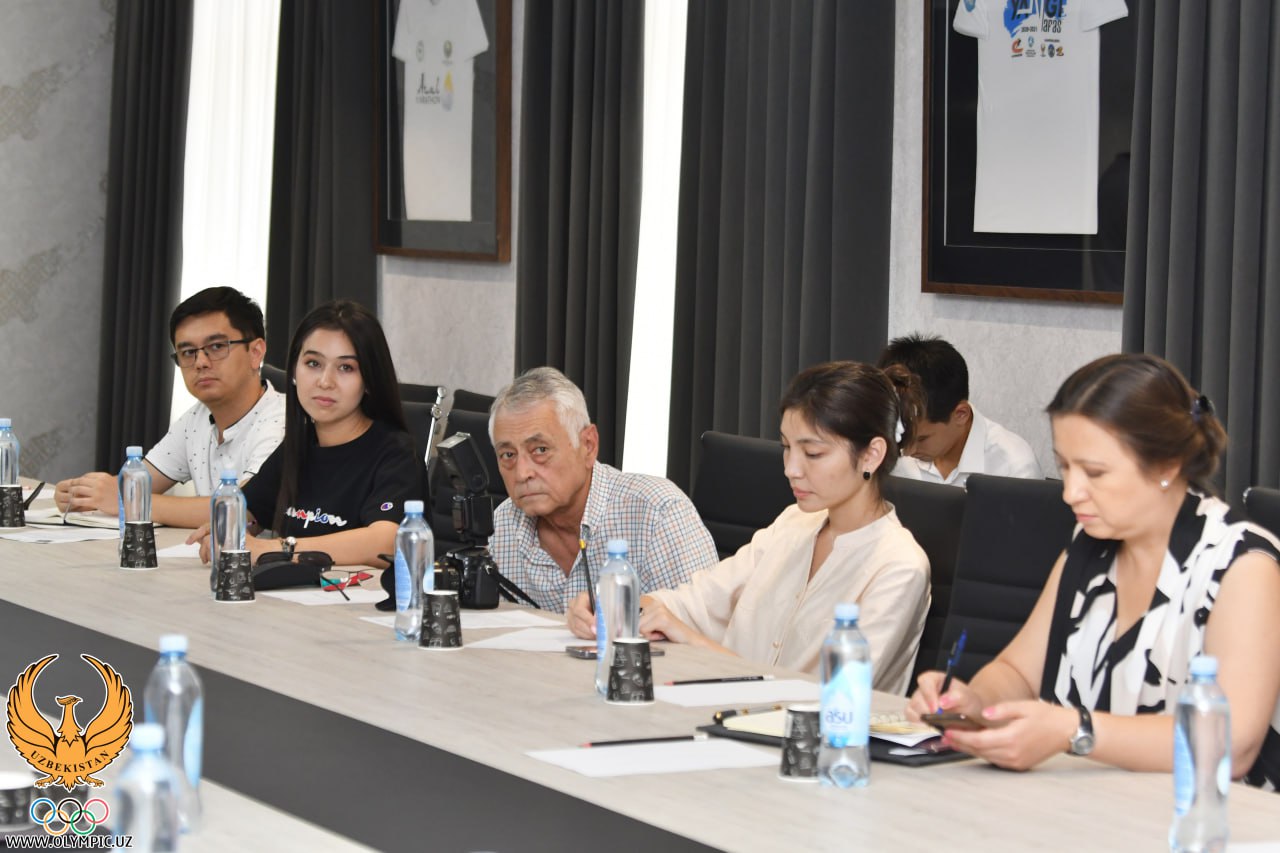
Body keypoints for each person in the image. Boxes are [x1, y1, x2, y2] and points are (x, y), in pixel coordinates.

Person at [907, 354, 1280, 789]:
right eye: (1065, 467)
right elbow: (1018, 672)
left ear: (1167, 465)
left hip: (1206, 815)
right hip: (1092, 804)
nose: (1071, 493)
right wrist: (973, 704)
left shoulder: (1243, 565)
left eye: (1095, 473)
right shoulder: (1090, 547)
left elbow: (1231, 745)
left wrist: (1073, 730)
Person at [569, 362, 932, 694]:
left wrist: (692, 639)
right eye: (786, 448)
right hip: (719, 714)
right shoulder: (794, 522)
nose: (791, 469)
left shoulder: (899, 566)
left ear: (871, 454)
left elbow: (833, 698)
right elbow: (698, 600)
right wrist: (617, 605)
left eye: (813, 453)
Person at [189, 301, 423, 567]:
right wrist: (230, 529)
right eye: (313, 363)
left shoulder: (397, 453)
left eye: (346, 367)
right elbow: (252, 509)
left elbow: (387, 541)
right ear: (294, 372)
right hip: (294, 589)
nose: (325, 381)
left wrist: (275, 549)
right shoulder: (300, 442)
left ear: (369, 380)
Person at [487, 367, 717, 613]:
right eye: (508, 455)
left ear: (588, 445)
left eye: (540, 450)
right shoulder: (502, 526)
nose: (522, 473)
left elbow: (702, 624)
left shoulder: (658, 514)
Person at [56, 287, 285, 528]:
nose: (200, 362)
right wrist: (83, 494)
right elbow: (133, 484)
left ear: (256, 352)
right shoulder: (197, 417)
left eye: (217, 347)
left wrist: (131, 501)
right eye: (188, 352)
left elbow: (241, 509)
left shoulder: (282, 421)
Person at [878, 333, 1041, 487]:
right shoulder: (880, 448)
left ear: (961, 414)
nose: (907, 452)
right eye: (901, 437)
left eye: (921, 439)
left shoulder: (1014, 468)